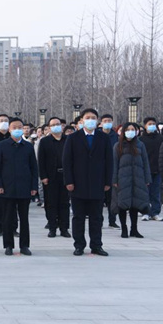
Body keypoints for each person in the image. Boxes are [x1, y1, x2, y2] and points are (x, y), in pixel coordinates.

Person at [63, 108, 113, 256]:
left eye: (93, 118)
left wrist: (107, 181)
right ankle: (79, 245)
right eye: (87, 117)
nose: (90, 120)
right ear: (82, 120)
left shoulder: (103, 138)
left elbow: (109, 161)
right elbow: (67, 161)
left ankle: (96, 245)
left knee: (96, 217)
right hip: (78, 183)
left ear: (97, 121)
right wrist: (69, 181)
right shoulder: (73, 138)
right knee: (78, 217)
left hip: (97, 183)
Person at [0, 118, 38, 256]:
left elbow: (34, 168)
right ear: (9, 129)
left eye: (20, 127)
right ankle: (8, 245)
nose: (17, 129)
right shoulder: (2, 145)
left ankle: (24, 245)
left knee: (24, 218)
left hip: (25, 187)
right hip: (7, 187)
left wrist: (34, 186)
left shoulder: (28, 146)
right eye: (14, 127)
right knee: (7, 218)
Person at [112, 123, 151, 239]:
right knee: (122, 204)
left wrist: (147, 178)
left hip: (138, 178)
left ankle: (134, 229)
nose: (130, 131)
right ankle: (124, 228)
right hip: (123, 179)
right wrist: (114, 179)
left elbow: (145, 162)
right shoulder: (118, 146)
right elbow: (114, 164)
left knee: (135, 204)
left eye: (132, 129)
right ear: (123, 132)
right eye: (128, 129)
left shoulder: (140, 145)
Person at [38, 117, 71, 238]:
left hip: (65, 176)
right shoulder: (45, 141)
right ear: (49, 127)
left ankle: (64, 228)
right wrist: (43, 176)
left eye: (58, 124)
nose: (56, 126)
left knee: (64, 203)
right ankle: (52, 227)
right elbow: (41, 160)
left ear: (62, 126)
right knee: (51, 203)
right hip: (50, 177)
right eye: (53, 125)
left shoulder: (68, 140)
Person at [140, 117, 163, 222]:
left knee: (156, 192)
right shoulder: (141, 139)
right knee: (145, 192)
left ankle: (155, 212)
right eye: (149, 124)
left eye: (153, 124)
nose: (152, 126)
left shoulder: (160, 138)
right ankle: (145, 212)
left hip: (157, 169)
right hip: (146, 170)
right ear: (145, 126)